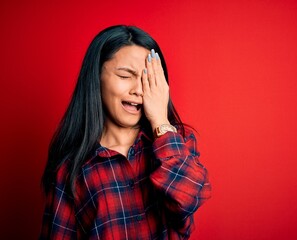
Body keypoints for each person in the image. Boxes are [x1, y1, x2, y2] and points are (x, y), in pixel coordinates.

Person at [40, 25, 211, 239]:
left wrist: (159, 120)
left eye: (148, 79)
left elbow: (189, 197)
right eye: (125, 76)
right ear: (96, 78)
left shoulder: (178, 141)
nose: (138, 90)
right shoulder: (71, 169)